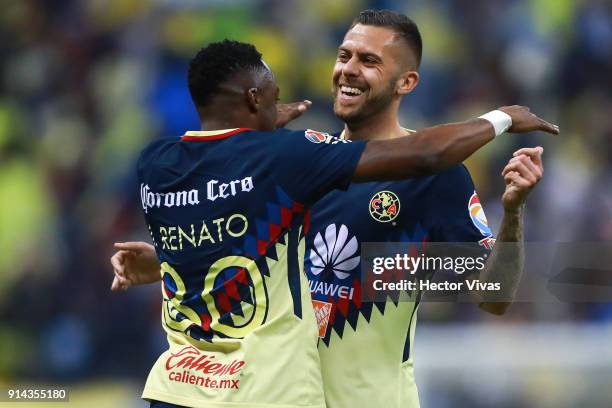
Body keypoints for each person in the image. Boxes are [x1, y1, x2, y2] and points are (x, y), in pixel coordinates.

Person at [113, 31, 557, 408]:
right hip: (269, 394)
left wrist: (512, 214)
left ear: (407, 81)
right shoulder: (289, 164)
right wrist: (166, 261)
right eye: (344, 56)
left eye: (368, 60)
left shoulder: (434, 180)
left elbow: (493, 293)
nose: (348, 69)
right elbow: (254, 250)